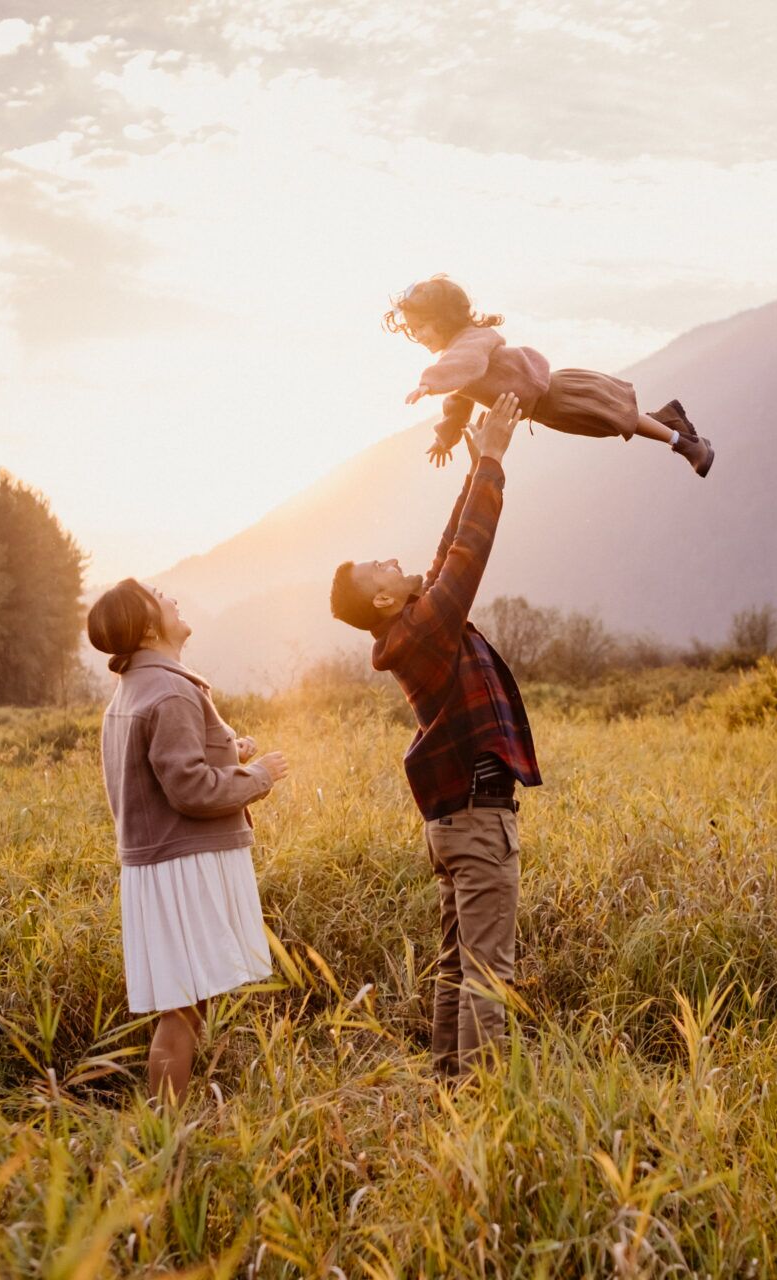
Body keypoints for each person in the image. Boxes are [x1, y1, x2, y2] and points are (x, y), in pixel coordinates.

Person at [328, 393, 541, 1077]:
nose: (395, 560)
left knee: (458, 967)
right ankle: (482, 1109)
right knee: (486, 973)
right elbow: (468, 557)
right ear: (386, 600)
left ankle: (448, 1091)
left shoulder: (409, 625)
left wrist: (477, 463)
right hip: (478, 823)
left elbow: (449, 549)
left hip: (457, 822)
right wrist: (496, 464)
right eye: (381, 568)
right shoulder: (421, 630)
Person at [87, 578, 291, 1102]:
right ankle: (163, 1132)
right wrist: (259, 775)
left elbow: (165, 769)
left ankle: (165, 1127)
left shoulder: (141, 687)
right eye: (162, 595)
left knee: (186, 1003)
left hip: (162, 865)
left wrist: (230, 750)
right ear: (152, 625)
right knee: (183, 1007)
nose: (173, 595)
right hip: (184, 866)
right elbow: (189, 788)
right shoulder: (172, 689)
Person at [384, 274, 716, 477]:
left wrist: (429, 382)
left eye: (421, 327)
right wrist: (446, 436)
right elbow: (459, 400)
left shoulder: (472, 340)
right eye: (413, 331)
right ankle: (668, 419)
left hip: (558, 393)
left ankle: (688, 445)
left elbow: (464, 364)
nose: (419, 336)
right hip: (547, 412)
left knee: (622, 419)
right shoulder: (457, 356)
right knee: (614, 424)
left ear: (443, 318)